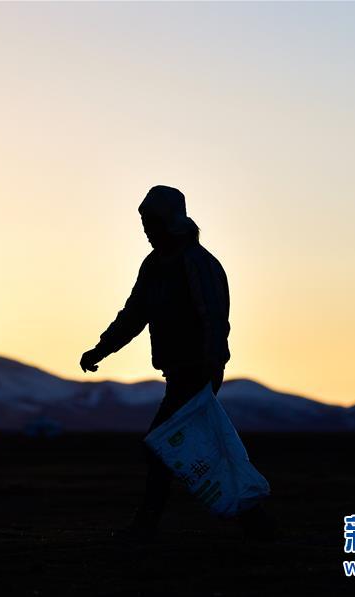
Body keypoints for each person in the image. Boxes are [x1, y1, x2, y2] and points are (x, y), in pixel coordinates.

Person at [79, 185, 275, 544]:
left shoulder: (197, 264)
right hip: (178, 372)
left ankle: (146, 528)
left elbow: (214, 318)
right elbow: (135, 313)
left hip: (198, 370)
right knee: (191, 446)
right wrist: (101, 349)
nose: (146, 231)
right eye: (143, 224)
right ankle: (254, 522)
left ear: (168, 221)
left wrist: (211, 366)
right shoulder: (154, 266)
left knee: (162, 446)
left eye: (150, 223)